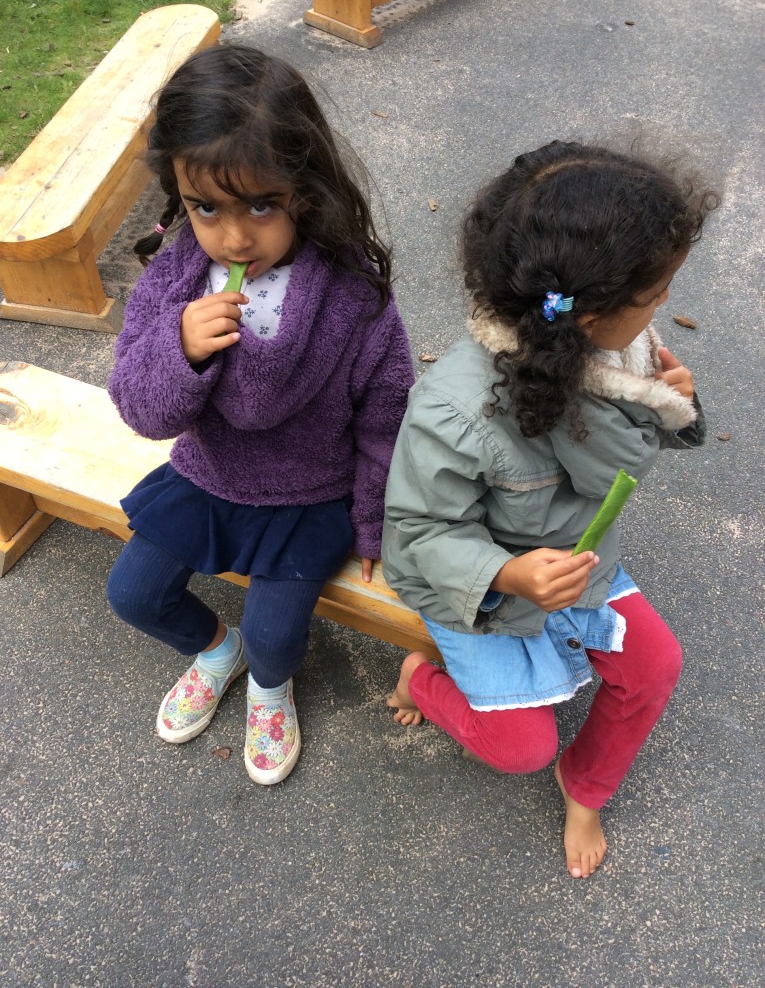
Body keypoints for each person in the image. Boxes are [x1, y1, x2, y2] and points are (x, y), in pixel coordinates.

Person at [382, 141, 718, 878]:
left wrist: (677, 405)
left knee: (656, 667)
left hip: (575, 564)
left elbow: (630, 446)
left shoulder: (619, 353)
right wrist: (507, 576)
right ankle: (422, 681)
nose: (664, 303)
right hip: (490, 592)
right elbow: (418, 530)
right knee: (521, 748)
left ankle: (585, 782)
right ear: (591, 313)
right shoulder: (454, 410)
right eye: (656, 290)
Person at [106, 44, 414, 785]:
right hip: (207, 476)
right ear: (178, 195)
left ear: (305, 191)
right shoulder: (176, 275)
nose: (235, 238)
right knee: (134, 594)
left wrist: (372, 520)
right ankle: (217, 651)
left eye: (262, 205)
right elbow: (139, 409)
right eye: (205, 206)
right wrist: (179, 348)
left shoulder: (353, 294)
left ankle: (269, 687)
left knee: (278, 639)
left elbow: (385, 416)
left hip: (310, 495)